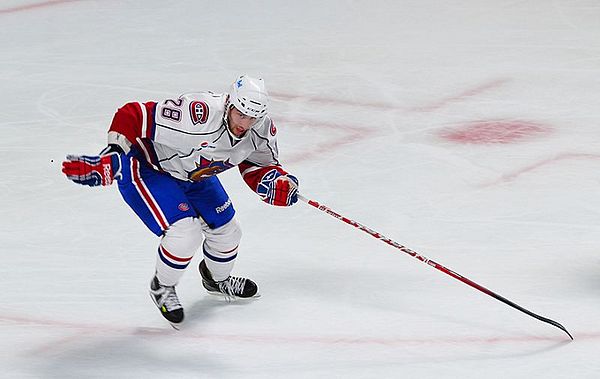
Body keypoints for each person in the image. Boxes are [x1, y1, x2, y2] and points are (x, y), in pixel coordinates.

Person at [62, 75, 299, 328]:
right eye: (241, 114)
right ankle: (162, 287)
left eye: (253, 117)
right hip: (148, 167)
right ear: (230, 103)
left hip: (193, 174)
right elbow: (133, 114)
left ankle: (217, 281)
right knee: (186, 234)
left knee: (229, 233)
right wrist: (114, 154)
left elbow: (259, 165)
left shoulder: (260, 130)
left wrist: (276, 183)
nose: (245, 123)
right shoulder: (198, 113)